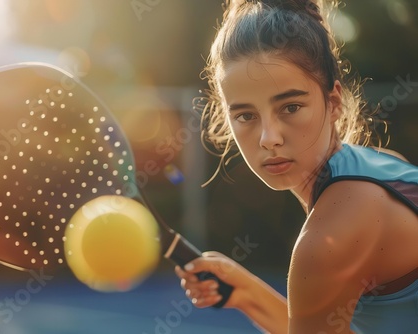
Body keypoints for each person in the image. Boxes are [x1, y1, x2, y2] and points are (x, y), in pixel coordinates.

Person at [174, 0, 418, 333]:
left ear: (333, 102)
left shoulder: (327, 240)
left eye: (290, 107)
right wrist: (247, 293)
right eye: (246, 116)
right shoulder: (379, 164)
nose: (268, 138)